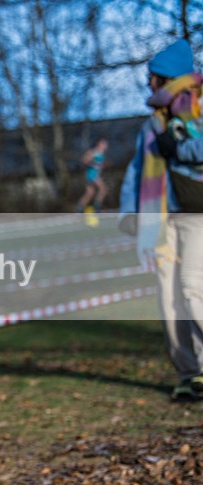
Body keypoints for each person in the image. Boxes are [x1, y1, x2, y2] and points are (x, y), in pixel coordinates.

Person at [118, 39, 203, 402]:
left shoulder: (198, 110)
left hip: (198, 215)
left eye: (152, 77)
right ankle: (189, 373)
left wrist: (179, 146)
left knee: (192, 288)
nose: (149, 84)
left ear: (167, 77)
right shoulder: (151, 124)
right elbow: (137, 171)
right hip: (162, 220)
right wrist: (129, 214)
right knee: (168, 299)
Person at [76, 138, 109, 213]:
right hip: (92, 174)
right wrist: (91, 162)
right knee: (103, 189)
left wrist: (104, 165)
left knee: (90, 193)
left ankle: (79, 209)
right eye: (104, 144)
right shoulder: (93, 152)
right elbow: (84, 160)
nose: (106, 146)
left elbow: (100, 165)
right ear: (98, 144)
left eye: (106, 145)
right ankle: (96, 209)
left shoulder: (102, 154)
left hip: (95, 174)